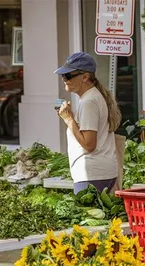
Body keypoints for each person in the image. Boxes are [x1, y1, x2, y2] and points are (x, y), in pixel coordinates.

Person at [54, 52, 121, 194]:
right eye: (62, 76)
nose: (64, 79)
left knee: (85, 216)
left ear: (85, 77)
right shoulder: (93, 97)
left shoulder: (88, 102)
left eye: (68, 75)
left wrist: (69, 119)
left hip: (91, 174)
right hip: (100, 172)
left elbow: (89, 144)